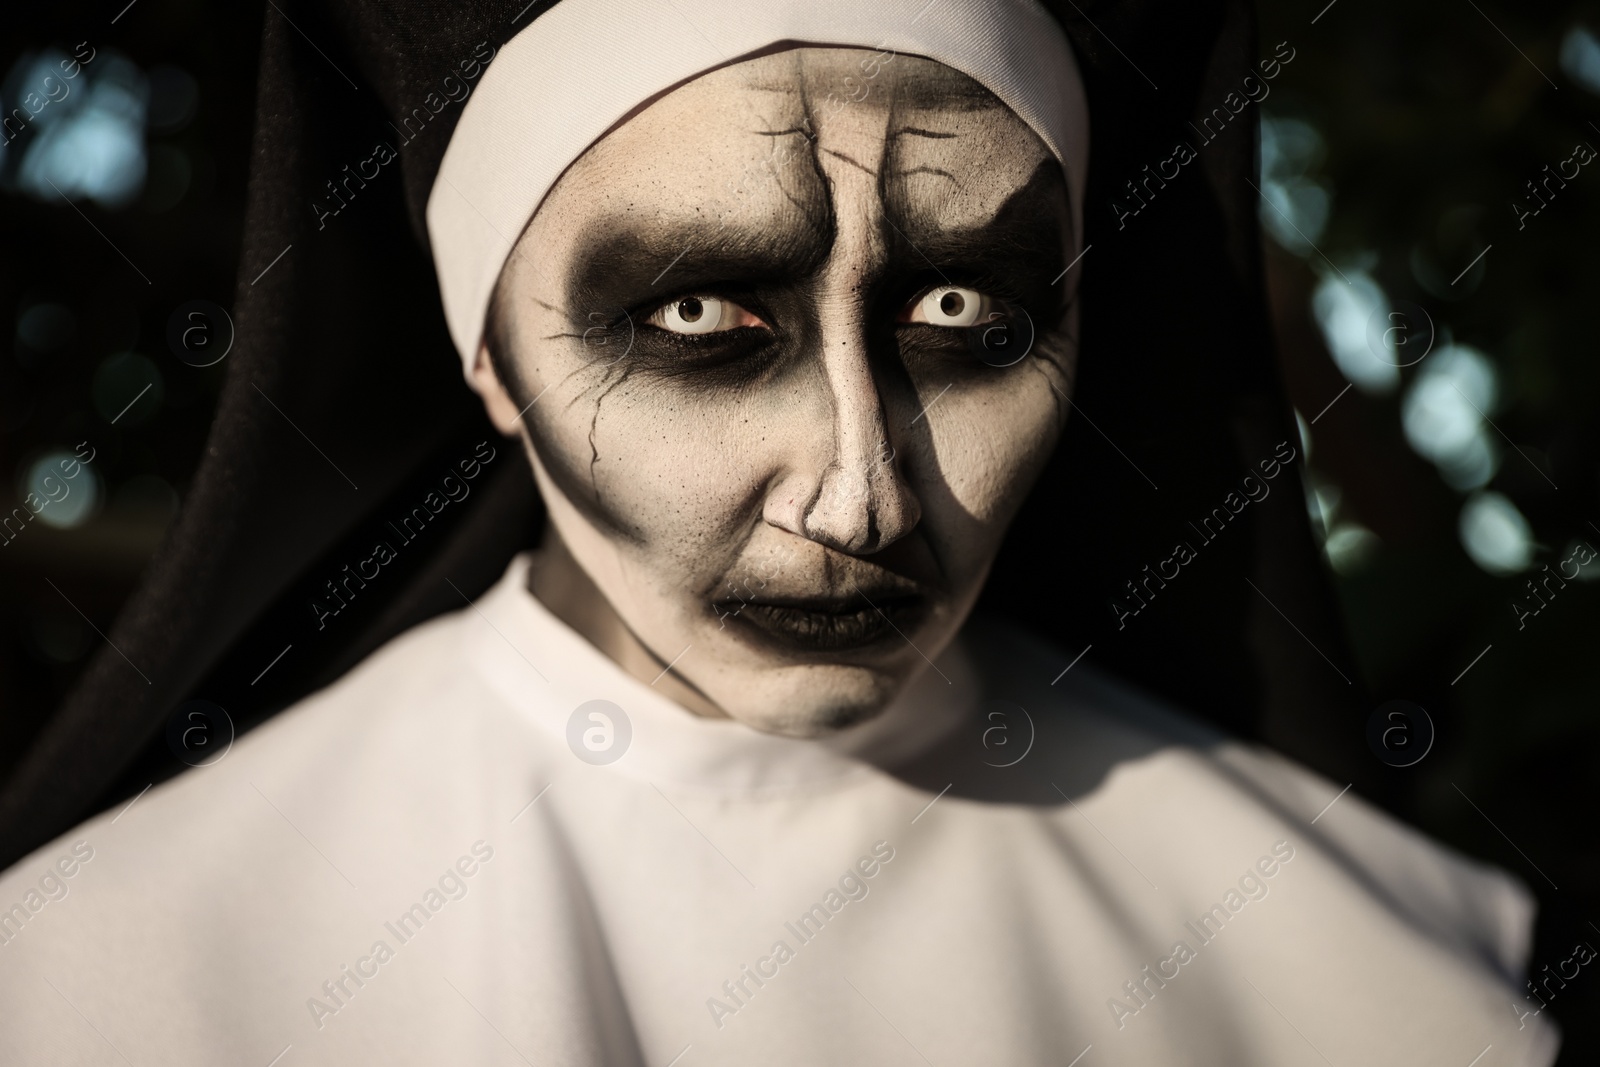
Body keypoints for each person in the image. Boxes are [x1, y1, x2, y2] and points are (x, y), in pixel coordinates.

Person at [0, 2, 1559, 1063]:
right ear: (486, 353)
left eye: (962, 313)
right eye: (700, 314)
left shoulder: (1369, 966)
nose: (861, 491)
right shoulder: (105, 980)